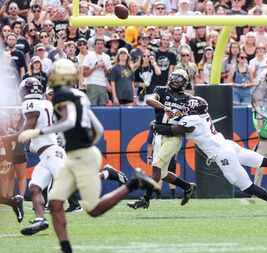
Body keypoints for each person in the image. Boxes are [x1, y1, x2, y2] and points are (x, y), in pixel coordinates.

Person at [17, 59, 160, 253]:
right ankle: (66, 248)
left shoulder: (61, 95)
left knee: (93, 209)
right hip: (80, 152)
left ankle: (133, 183)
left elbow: (68, 122)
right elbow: (98, 129)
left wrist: (38, 133)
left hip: (79, 153)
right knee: (56, 203)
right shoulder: (80, 96)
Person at [151, 95, 267, 215]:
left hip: (223, 154)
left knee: (246, 185)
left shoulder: (191, 120)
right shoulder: (202, 115)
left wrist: (156, 126)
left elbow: (175, 130)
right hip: (228, 145)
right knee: (264, 161)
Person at [1, 77, 65, 235]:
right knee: (34, 187)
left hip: (52, 153)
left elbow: (27, 129)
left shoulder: (32, 105)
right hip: (46, 156)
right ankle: (40, 220)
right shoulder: (45, 103)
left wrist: (7, 138)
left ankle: (106, 173)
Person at [127, 69, 196, 209]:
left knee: (156, 166)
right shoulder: (161, 90)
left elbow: (190, 120)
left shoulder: (187, 99)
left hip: (173, 138)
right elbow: (149, 100)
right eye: (174, 77)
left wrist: (181, 113)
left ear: (184, 83)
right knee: (162, 174)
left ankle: (145, 200)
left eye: (179, 79)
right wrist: (165, 108)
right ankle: (188, 187)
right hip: (159, 136)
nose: (175, 80)